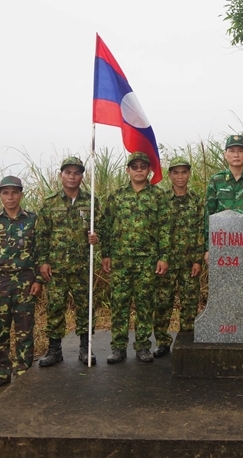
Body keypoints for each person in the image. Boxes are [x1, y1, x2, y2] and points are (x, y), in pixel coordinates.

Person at [101, 152, 170, 363]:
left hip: (148, 260)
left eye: (143, 166)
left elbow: (165, 228)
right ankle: (118, 347)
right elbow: (106, 226)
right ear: (128, 170)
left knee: (145, 304)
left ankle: (142, 346)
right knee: (119, 303)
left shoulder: (158, 196)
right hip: (121, 260)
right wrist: (106, 254)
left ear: (149, 170)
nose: (139, 170)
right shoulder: (117, 196)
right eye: (134, 166)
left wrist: (164, 256)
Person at [35, 156, 101, 367]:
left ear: (82, 176)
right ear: (61, 175)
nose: (72, 177)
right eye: (68, 172)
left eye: (77, 173)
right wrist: (43, 261)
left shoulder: (91, 201)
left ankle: (85, 348)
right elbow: (42, 235)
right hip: (57, 267)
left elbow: (101, 228)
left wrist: (96, 237)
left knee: (85, 308)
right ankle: (54, 350)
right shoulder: (50, 202)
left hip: (82, 266)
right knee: (55, 308)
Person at [0, 176, 42, 388]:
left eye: (14, 192)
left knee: (24, 328)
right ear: (0, 195)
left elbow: (39, 252)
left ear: (21, 194)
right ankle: (1, 372)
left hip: (25, 280)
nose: (10, 197)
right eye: (5, 193)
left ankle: (23, 373)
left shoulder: (32, 220)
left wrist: (38, 279)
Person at [204, 134, 243, 315]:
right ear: (225, 154)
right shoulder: (216, 181)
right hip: (222, 245)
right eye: (232, 151)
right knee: (223, 287)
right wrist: (208, 248)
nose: (236, 155)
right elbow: (208, 215)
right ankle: (225, 325)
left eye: (240, 151)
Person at [152, 156, 204, 357]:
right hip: (166, 262)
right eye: (176, 172)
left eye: (184, 172)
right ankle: (162, 341)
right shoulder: (161, 199)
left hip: (189, 262)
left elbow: (200, 231)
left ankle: (186, 341)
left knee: (189, 303)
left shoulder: (197, 200)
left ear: (189, 174)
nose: (180, 176)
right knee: (163, 303)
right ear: (170, 175)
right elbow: (156, 230)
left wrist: (198, 260)